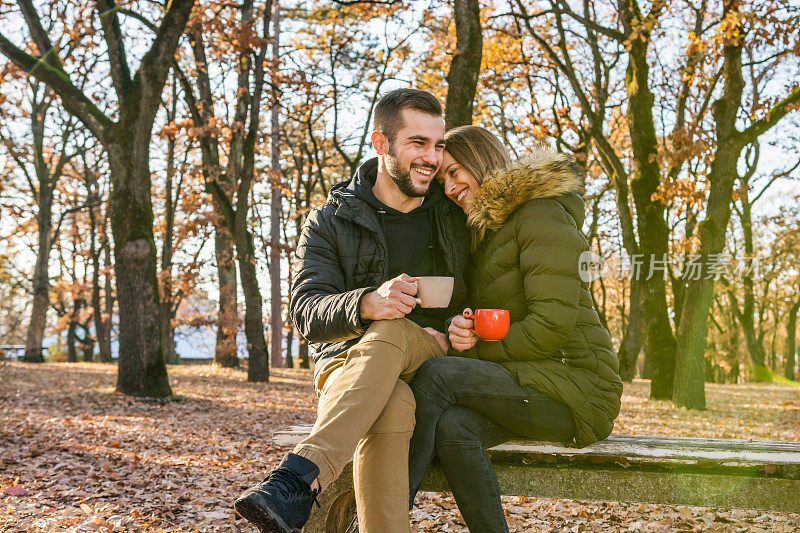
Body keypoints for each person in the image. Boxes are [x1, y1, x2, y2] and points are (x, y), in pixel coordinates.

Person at [233, 88, 470, 533]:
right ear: (382, 144)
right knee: (393, 405)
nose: (432, 158)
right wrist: (365, 303)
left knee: (393, 332)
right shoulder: (331, 219)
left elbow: (479, 293)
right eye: (417, 143)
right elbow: (306, 310)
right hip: (346, 365)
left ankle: (297, 478)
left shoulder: (452, 216)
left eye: (438, 145)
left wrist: (463, 326)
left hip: (432, 357)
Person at [408, 126, 623, 532]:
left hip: (579, 390)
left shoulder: (540, 215)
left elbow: (550, 325)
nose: (451, 187)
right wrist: (464, 328)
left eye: (455, 172)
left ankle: (384, 517)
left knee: (438, 376)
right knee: (454, 426)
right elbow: (502, 320)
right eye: (443, 180)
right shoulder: (486, 234)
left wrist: (474, 351)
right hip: (534, 380)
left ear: (482, 160)